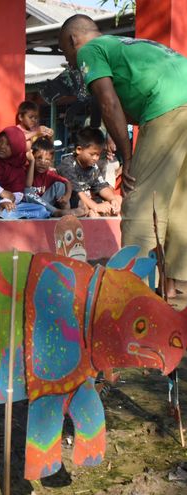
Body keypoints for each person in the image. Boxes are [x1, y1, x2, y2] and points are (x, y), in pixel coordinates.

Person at [60, 13, 187, 296]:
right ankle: (177, 291)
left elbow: (109, 102)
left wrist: (128, 158)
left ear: (72, 40)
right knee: (180, 203)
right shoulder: (123, 44)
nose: (70, 62)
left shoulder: (88, 50)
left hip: (167, 104)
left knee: (140, 199)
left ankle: (132, 295)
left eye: (65, 53)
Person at [0, 126, 50, 219]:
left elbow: (17, 193)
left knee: (41, 210)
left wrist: (5, 202)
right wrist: (0, 192)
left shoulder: (18, 166)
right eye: (0, 141)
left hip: (5, 204)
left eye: (8, 144)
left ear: (16, 147)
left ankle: (1, 211)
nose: (2, 146)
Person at [57, 127, 122, 217]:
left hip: (89, 201)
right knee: (92, 213)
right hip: (74, 203)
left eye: (98, 154)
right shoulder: (68, 165)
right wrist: (96, 207)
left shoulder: (93, 167)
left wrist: (112, 200)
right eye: (92, 154)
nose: (95, 158)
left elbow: (102, 186)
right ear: (79, 150)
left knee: (118, 199)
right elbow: (78, 193)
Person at [25, 138, 84, 217]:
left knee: (60, 185)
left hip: (45, 205)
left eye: (47, 160)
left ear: (51, 161)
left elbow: (67, 182)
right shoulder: (25, 169)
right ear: (32, 157)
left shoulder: (50, 173)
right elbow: (28, 185)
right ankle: (56, 212)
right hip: (29, 205)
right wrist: (31, 162)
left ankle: (67, 213)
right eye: (39, 158)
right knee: (26, 190)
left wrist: (67, 196)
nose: (43, 163)